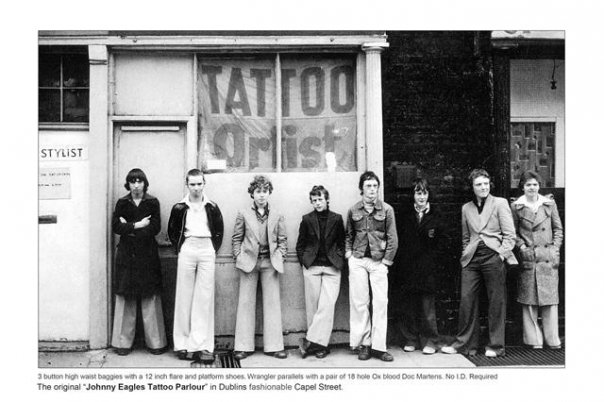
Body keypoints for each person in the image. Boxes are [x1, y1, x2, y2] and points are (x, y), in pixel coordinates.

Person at [442, 169, 517, 358]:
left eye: (486, 183)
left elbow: (510, 235)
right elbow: (466, 237)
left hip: (494, 254)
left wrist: (501, 255)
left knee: (496, 302)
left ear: (490, 184)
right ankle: (465, 345)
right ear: (472, 187)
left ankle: (496, 346)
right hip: (472, 257)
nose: (483, 187)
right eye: (478, 184)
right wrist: (465, 256)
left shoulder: (500, 203)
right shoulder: (466, 208)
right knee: (467, 300)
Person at [168, 169, 224, 364]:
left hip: (207, 249)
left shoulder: (212, 207)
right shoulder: (179, 207)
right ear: (187, 185)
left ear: (204, 184)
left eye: (199, 184)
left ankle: (201, 344)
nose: (196, 188)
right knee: (184, 296)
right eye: (192, 184)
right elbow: (173, 231)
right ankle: (182, 344)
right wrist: (181, 248)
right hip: (188, 249)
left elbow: (219, 231)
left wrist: (211, 249)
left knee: (204, 297)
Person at [111, 168, 167, 356]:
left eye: (139, 181)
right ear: (128, 184)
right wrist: (138, 225)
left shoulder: (152, 202)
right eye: (132, 181)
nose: (136, 185)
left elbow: (156, 227)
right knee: (126, 297)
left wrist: (130, 229)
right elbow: (116, 226)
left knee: (149, 297)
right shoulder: (122, 202)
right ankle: (122, 343)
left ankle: (156, 343)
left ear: (145, 183)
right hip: (126, 256)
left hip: (147, 255)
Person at [232, 175, 288, 360]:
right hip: (249, 262)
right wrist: (238, 256)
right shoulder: (243, 212)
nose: (261, 195)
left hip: (269, 263)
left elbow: (282, 240)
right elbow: (236, 238)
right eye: (258, 191)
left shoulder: (277, 213)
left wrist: (280, 255)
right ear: (252, 194)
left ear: (269, 193)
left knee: (272, 304)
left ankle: (274, 346)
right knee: (246, 303)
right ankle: (243, 346)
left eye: (264, 191)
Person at [345, 171, 398, 362]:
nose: (372, 190)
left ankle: (379, 347)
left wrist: (386, 261)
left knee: (380, 303)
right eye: (368, 186)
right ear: (361, 189)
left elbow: (393, 238)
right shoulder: (353, 210)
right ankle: (364, 345)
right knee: (360, 303)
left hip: (378, 261)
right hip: (358, 259)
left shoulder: (387, 210)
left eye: (375, 186)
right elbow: (349, 235)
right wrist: (349, 254)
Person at [511, 170, 563, 349]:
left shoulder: (548, 204)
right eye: (528, 185)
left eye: (534, 184)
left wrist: (555, 248)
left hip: (547, 257)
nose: (532, 188)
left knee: (550, 300)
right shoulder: (517, 207)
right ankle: (534, 340)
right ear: (523, 187)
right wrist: (522, 247)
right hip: (530, 258)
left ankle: (552, 339)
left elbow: (558, 229)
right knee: (530, 300)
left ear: (539, 186)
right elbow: (513, 233)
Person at [296, 185, 346, 359]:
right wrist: (304, 260)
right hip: (312, 267)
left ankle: (309, 342)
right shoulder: (307, 219)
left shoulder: (337, 219)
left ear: (327, 200)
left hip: (332, 268)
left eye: (320, 199)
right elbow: (300, 244)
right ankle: (320, 347)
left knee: (326, 307)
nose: (317, 203)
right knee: (313, 309)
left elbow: (342, 242)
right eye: (314, 200)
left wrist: (339, 258)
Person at [396, 178, 442, 355]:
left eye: (424, 193)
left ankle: (430, 340)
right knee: (409, 306)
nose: (421, 197)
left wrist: (432, 259)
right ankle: (411, 339)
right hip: (408, 268)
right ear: (413, 195)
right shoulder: (405, 215)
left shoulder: (436, 215)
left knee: (427, 308)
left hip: (427, 269)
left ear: (428, 194)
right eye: (418, 193)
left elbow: (443, 240)